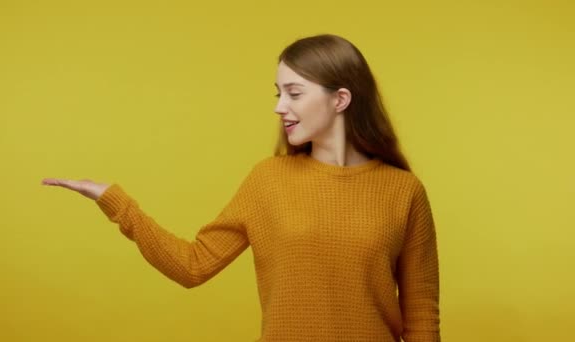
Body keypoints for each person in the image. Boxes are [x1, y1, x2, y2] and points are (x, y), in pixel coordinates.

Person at [41, 33, 440, 342]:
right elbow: (193, 265)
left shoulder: (403, 191)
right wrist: (115, 201)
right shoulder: (268, 180)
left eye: (294, 93)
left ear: (340, 99)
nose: (279, 106)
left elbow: (421, 312)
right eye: (278, 92)